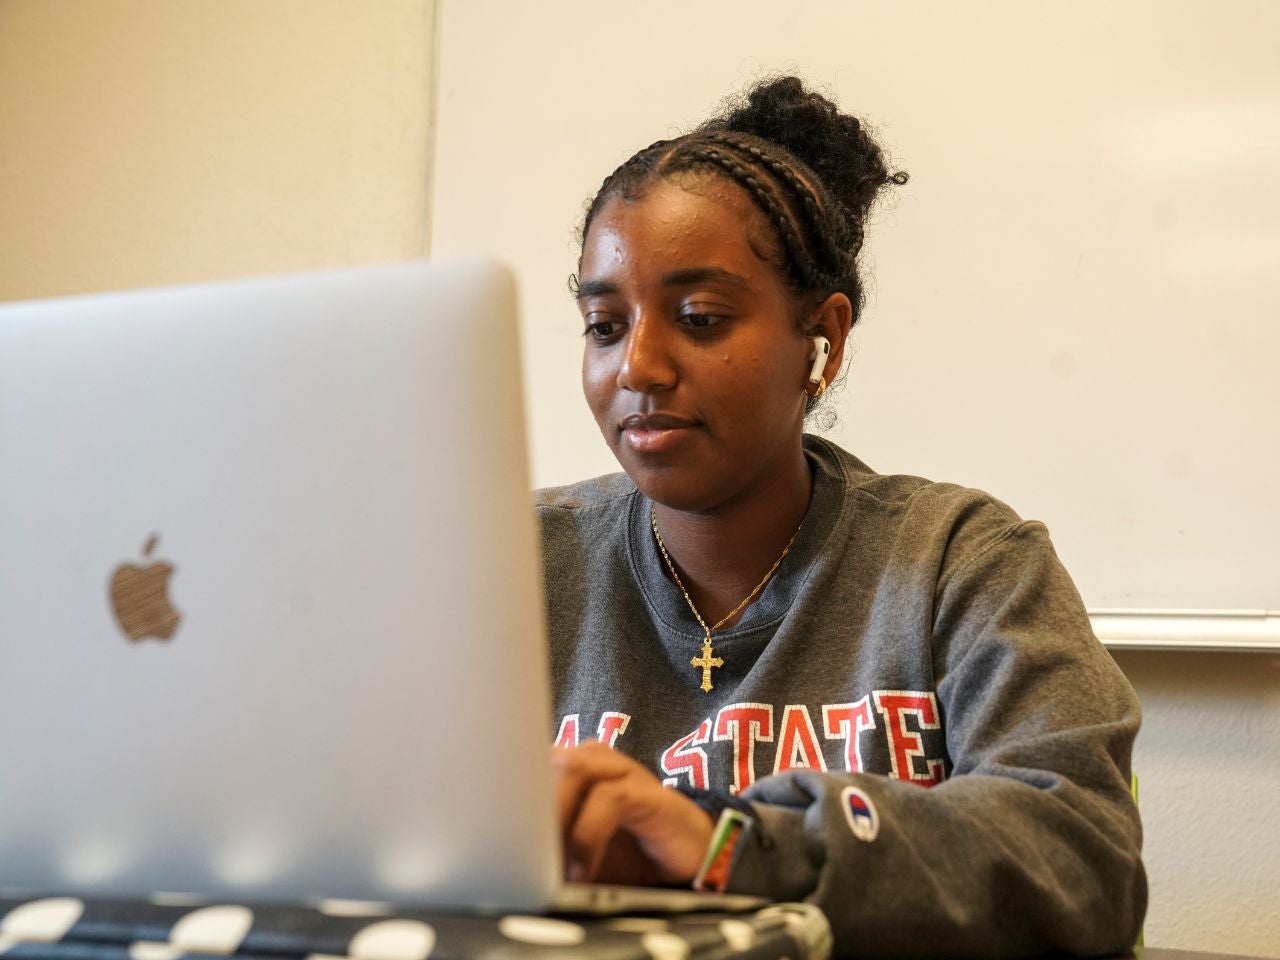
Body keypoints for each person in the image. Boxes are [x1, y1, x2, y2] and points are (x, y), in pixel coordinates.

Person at [541, 76, 1146, 959]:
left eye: (700, 317)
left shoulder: (963, 563)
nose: (638, 366)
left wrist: (730, 846)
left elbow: (1082, 861)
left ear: (821, 339)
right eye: (603, 324)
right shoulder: (507, 565)